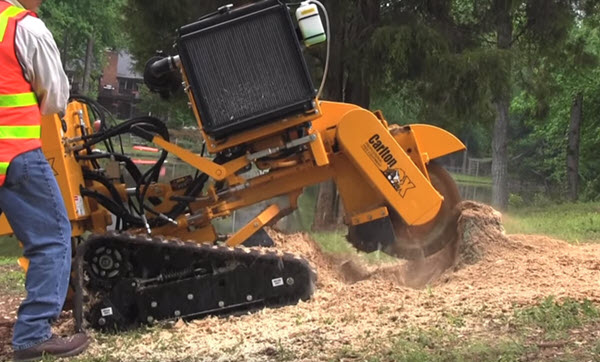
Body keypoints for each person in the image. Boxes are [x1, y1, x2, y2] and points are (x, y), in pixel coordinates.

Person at [0, 0, 89, 360]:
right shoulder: (23, 27)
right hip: (15, 153)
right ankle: (33, 335)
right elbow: (55, 98)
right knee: (52, 240)